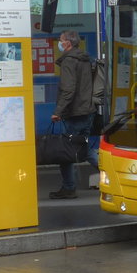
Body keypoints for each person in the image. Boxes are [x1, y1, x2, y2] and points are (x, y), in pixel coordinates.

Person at [50, 29, 100, 199]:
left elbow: (68, 89)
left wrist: (58, 111)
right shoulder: (84, 59)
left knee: (66, 152)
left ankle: (69, 187)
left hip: (75, 113)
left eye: (61, 40)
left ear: (68, 43)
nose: (59, 42)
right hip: (87, 110)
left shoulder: (69, 61)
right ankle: (115, 176)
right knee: (84, 149)